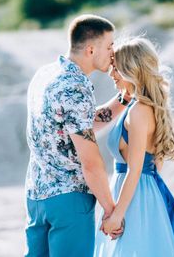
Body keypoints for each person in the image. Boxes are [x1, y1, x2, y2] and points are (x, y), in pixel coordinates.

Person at [24, 14, 130, 257]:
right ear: (91, 49)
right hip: (69, 201)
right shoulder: (76, 88)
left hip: (36, 197)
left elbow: (74, 125)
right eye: (110, 46)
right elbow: (91, 162)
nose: (113, 53)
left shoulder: (46, 74)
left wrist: (124, 98)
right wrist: (111, 209)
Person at [94, 37, 174, 256]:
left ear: (131, 70)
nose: (111, 74)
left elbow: (135, 168)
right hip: (142, 192)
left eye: (116, 68)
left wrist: (118, 214)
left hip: (134, 197)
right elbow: (155, 164)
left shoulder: (139, 111)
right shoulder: (140, 107)